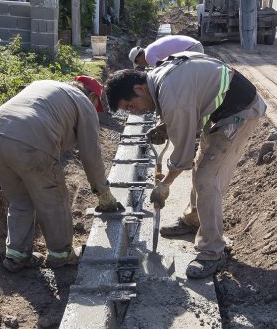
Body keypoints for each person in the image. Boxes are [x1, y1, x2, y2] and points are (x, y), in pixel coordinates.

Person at [104, 54, 266, 279]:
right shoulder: (158, 78)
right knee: (201, 168)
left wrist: (165, 183)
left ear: (139, 89)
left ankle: (212, 252)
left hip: (239, 113)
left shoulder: (173, 99)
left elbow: (183, 153)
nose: (136, 112)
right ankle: (193, 221)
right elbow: (188, 101)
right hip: (219, 113)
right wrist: (166, 124)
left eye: (131, 106)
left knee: (207, 179)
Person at [0, 76, 123, 273]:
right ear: (93, 97)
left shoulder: (44, 86)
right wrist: (102, 192)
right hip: (31, 141)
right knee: (54, 199)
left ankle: (17, 255)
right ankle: (61, 254)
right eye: (96, 105)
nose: (95, 110)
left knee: (19, 200)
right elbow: (91, 155)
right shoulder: (83, 103)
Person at [129, 34, 204, 69]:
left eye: (139, 64)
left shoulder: (148, 56)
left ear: (138, 60)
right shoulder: (150, 49)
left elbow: (163, 69)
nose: (142, 66)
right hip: (195, 46)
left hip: (192, 49)